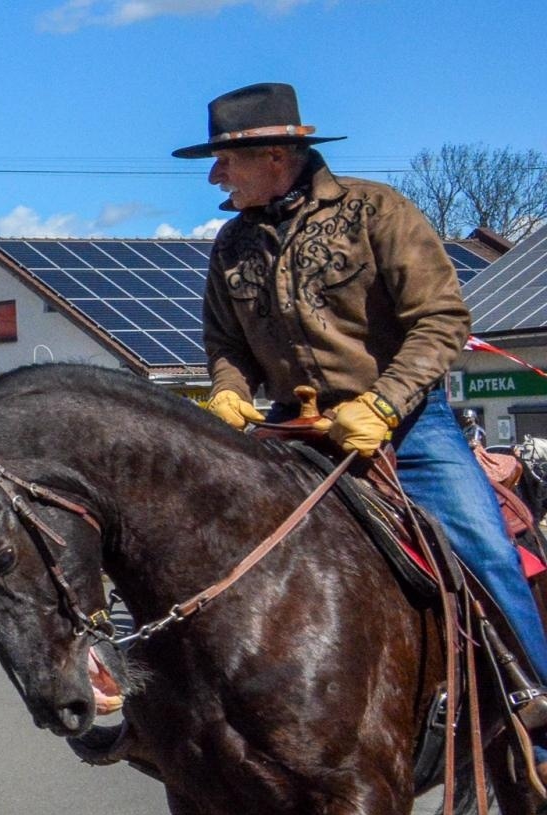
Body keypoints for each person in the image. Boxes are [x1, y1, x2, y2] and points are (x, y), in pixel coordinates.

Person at [183, 82, 547, 767]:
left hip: (410, 430)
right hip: (292, 432)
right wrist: (229, 392)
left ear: (275, 156)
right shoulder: (232, 243)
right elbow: (226, 346)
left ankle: (537, 710)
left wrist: (381, 404)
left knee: (486, 550)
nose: (214, 175)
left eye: (225, 160)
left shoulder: (378, 211)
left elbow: (442, 322)